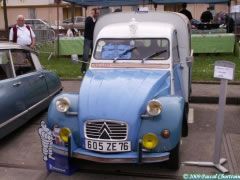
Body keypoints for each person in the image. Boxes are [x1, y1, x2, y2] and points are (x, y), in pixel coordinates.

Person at [81, 8, 99, 73]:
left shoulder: (97, 20)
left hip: (94, 39)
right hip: (88, 39)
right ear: (93, 13)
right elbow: (87, 27)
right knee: (85, 55)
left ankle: (92, 68)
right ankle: (83, 69)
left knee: (93, 55)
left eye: (98, 13)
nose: (97, 14)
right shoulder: (88, 19)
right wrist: (92, 18)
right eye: (96, 13)